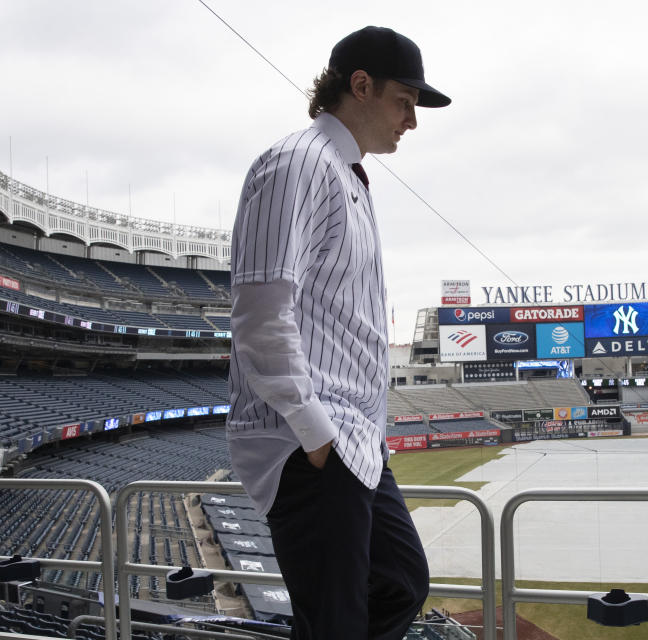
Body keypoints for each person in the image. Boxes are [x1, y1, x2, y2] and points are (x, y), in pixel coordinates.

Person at [226, 26, 450, 639]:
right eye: (405, 101)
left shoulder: (347, 175)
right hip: (314, 443)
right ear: (361, 86)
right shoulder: (298, 161)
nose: (412, 119)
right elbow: (261, 308)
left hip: (354, 442)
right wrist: (315, 435)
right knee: (336, 623)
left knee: (401, 582)